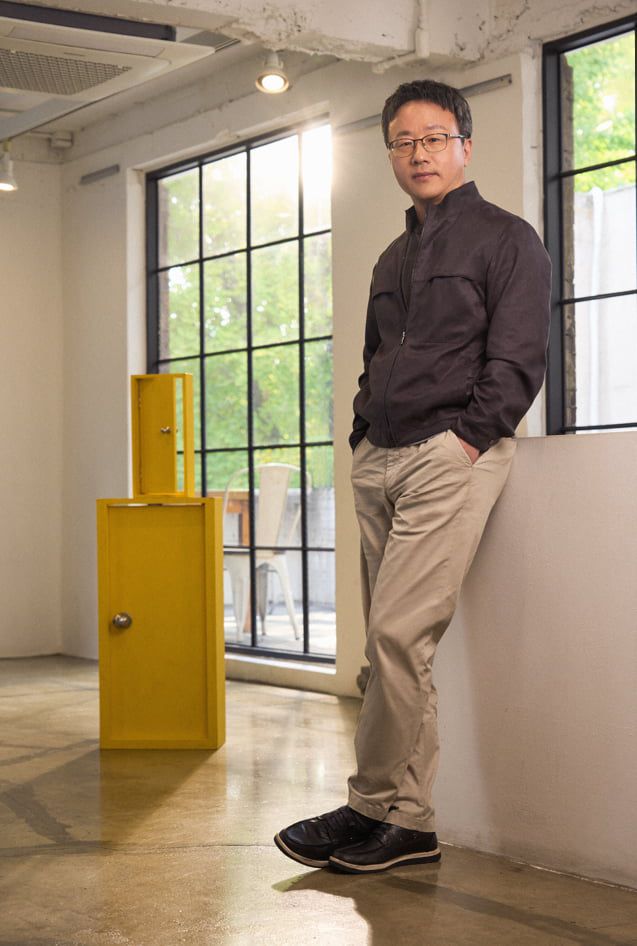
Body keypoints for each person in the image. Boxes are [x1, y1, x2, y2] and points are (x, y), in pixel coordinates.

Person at [274, 79, 551, 875]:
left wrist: (466, 441)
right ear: (389, 154)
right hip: (380, 456)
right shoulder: (392, 257)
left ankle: (365, 804)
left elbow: (519, 356)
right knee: (392, 651)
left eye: (433, 138)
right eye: (403, 141)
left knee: (396, 636)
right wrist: (362, 433)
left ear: (464, 146)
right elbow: (374, 357)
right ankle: (412, 824)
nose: (418, 153)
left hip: (447, 455)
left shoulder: (506, 239)